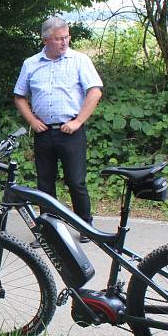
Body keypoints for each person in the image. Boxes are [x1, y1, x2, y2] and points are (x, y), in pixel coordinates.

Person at [14, 16, 103, 246]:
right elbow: (19, 96)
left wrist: (78, 121)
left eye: (66, 37)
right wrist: (32, 120)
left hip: (70, 131)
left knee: (76, 181)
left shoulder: (79, 60)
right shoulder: (31, 63)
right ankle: (49, 230)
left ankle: (85, 226)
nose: (64, 42)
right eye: (58, 39)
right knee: (45, 184)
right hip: (43, 132)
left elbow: (95, 92)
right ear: (45, 40)